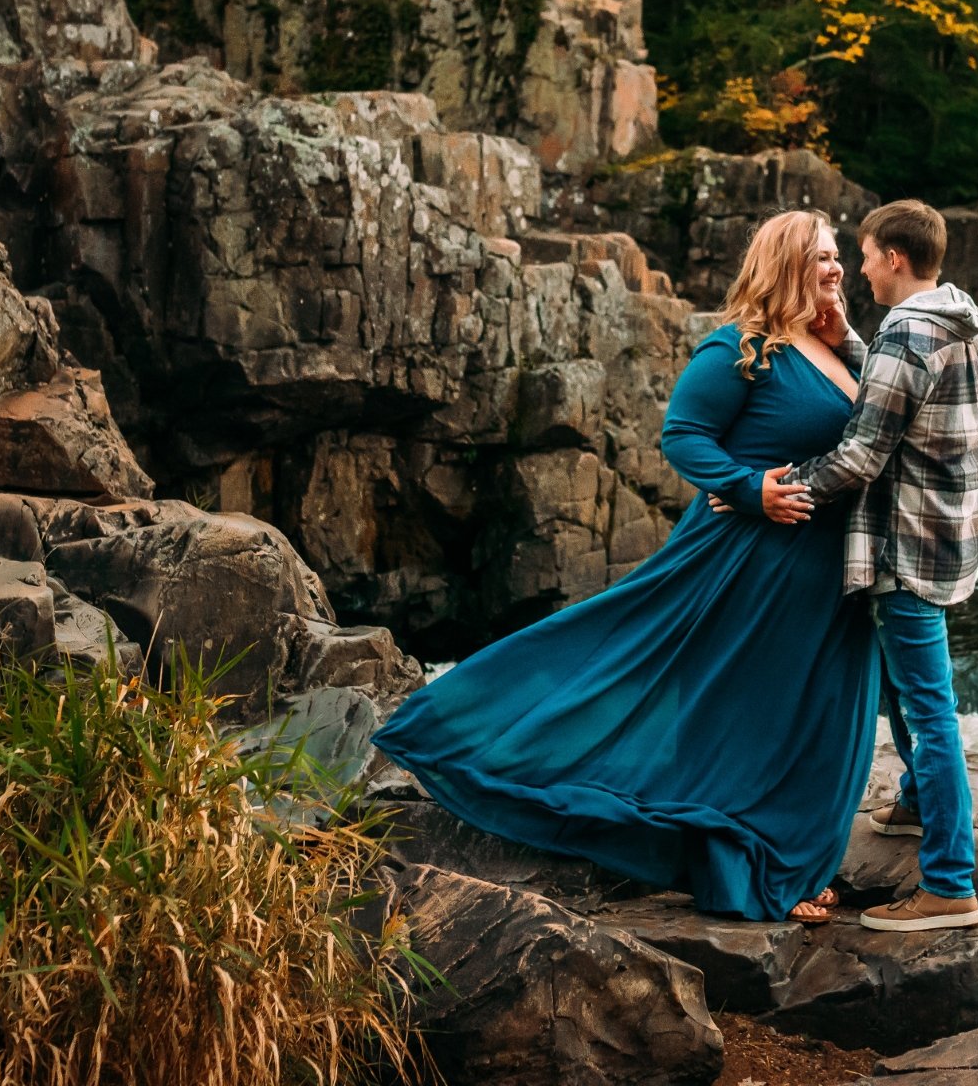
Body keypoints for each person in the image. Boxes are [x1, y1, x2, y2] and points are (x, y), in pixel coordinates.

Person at [370, 211, 880, 924]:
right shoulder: (739, 347)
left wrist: (846, 350)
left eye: (836, 256)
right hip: (747, 562)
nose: (835, 269)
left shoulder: (837, 347)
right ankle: (464, 733)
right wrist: (749, 488)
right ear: (785, 262)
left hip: (828, 573)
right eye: (821, 256)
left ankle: (798, 860)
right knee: (729, 703)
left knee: (820, 716)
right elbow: (683, 436)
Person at [756, 198, 978, 933]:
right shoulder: (960, 318)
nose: (854, 268)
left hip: (904, 543)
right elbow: (909, 405)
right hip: (949, 535)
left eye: (861, 255)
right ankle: (918, 803)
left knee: (929, 712)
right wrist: (855, 343)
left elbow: (861, 454)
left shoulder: (907, 333)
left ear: (893, 257)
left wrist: (764, 491)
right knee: (905, 686)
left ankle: (950, 884)